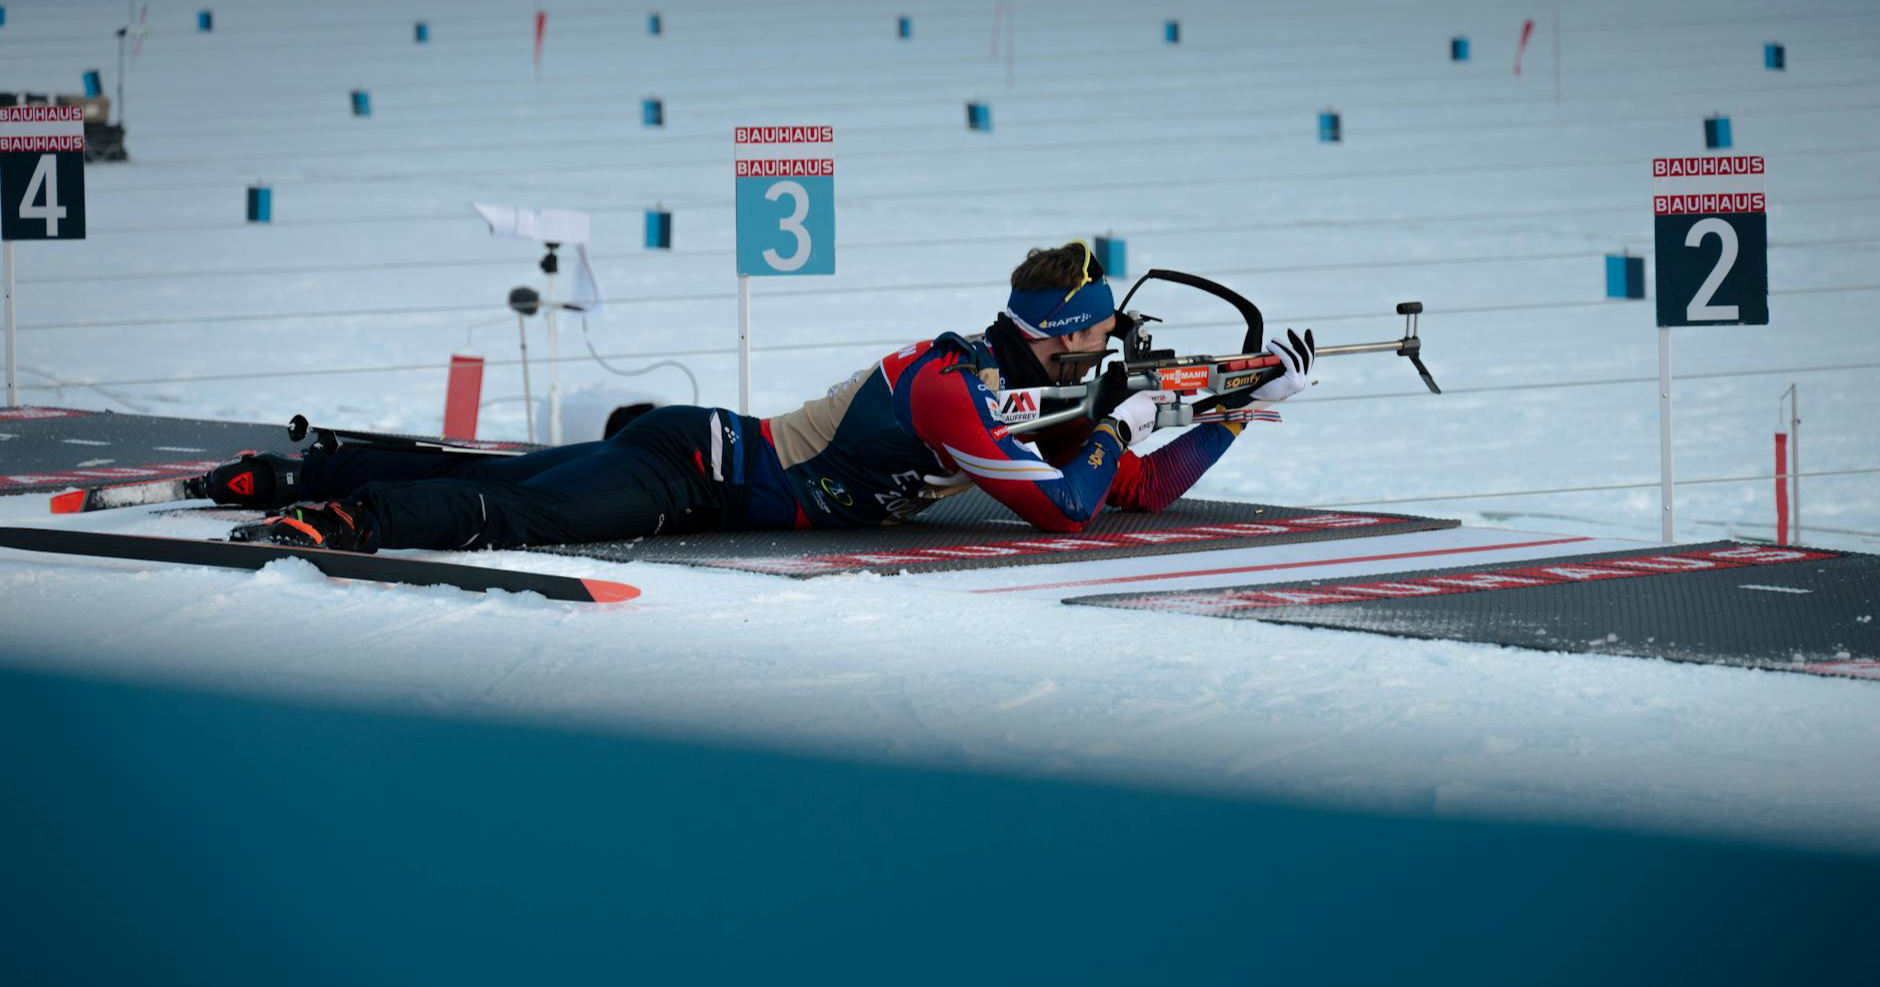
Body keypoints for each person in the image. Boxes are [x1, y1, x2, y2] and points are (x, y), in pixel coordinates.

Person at [214, 242, 1316, 553]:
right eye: (1096, 339)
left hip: (701, 459)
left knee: (497, 475)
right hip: (694, 473)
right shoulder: (954, 392)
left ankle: (299, 471)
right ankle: (342, 519)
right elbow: (1068, 507)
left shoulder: (1018, 392)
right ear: (1055, 335)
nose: (1103, 353)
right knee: (519, 515)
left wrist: (1218, 417)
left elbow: (1136, 489)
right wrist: (1120, 412)